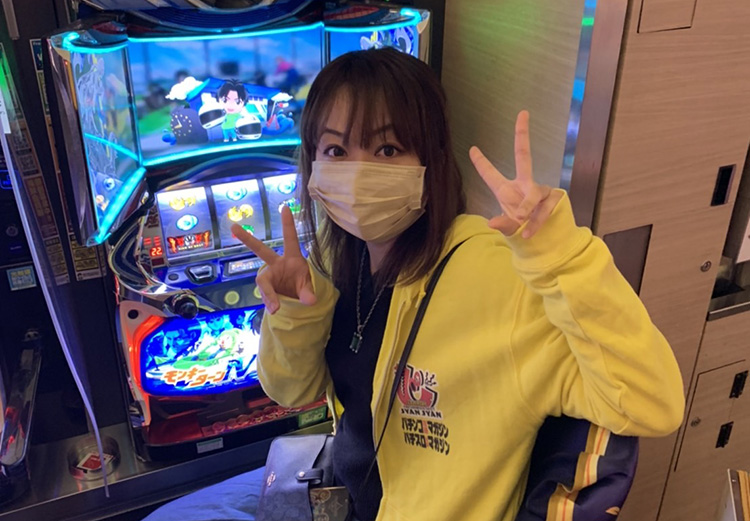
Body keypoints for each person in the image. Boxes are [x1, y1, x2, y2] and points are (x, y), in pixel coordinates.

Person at [145, 48, 684, 521]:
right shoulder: (339, 257)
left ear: (431, 160)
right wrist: (295, 313)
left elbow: (652, 404)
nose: (357, 173)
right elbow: (293, 392)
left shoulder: (498, 279)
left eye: (386, 150)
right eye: (335, 151)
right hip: (348, 489)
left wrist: (561, 258)